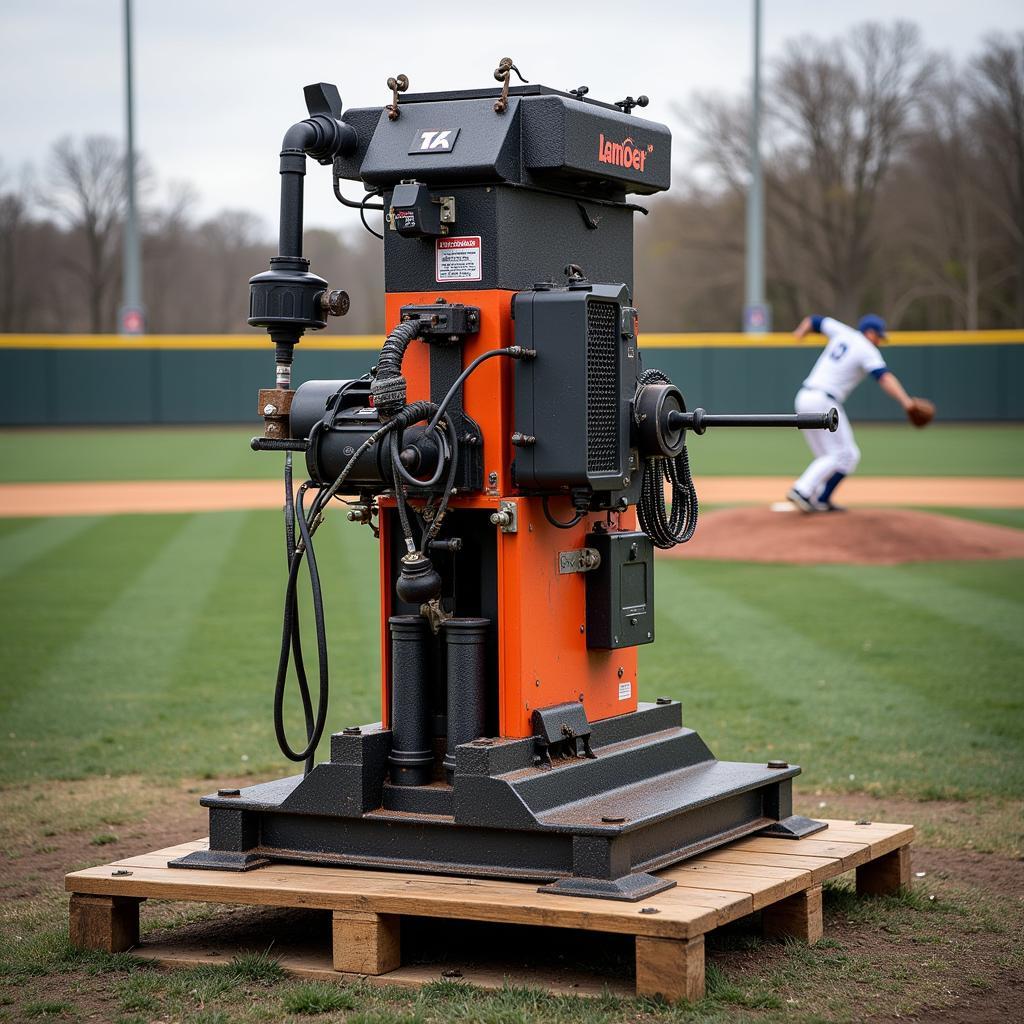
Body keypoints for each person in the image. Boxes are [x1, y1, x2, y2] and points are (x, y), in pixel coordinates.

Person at [787, 313, 916, 512]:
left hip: (804, 397)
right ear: (870, 333)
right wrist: (906, 401)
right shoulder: (867, 348)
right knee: (845, 455)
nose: (880, 341)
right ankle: (802, 490)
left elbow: (815, 320)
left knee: (830, 456)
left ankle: (819, 498)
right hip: (824, 403)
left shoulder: (842, 332)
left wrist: (800, 331)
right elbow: (884, 378)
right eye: (879, 336)